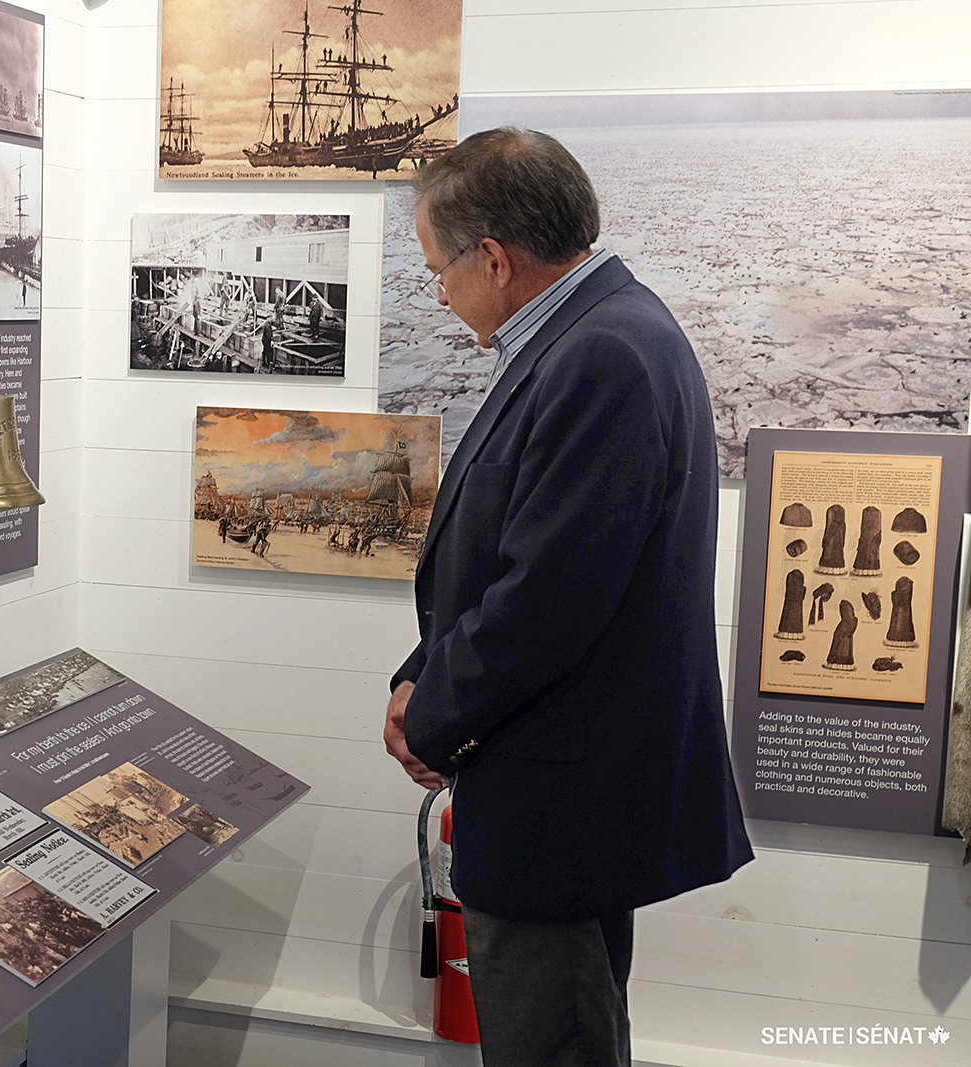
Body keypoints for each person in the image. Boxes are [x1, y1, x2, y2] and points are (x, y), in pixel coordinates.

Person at [383, 128, 752, 1067]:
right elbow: (516, 551)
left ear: (494, 258)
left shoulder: (601, 355)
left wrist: (431, 716)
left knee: (553, 1045)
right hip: (561, 774)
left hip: (558, 795)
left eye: (439, 271)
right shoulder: (600, 333)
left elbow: (548, 599)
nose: (438, 293)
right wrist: (424, 672)